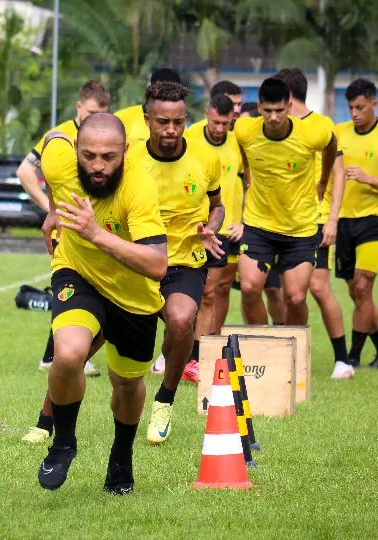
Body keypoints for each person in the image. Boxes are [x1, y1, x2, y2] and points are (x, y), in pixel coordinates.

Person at [36, 113, 168, 495]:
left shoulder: (139, 188)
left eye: (108, 157)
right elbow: (52, 140)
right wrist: (53, 207)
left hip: (134, 294)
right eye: (89, 155)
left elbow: (157, 265)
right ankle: (63, 444)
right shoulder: (61, 159)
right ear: (77, 149)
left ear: (126, 151)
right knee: (68, 353)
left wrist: (95, 233)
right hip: (78, 274)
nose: (97, 165)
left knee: (126, 384)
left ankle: (121, 456)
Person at [129, 81, 224, 444]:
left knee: (182, 320)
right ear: (147, 119)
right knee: (93, 342)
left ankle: (165, 400)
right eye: (162, 122)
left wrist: (210, 228)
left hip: (185, 260)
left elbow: (217, 206)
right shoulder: (130, 159)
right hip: (137, 262)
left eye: (178, 122)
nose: (170, 130)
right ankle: (48, 419)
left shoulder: (205, 159)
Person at [19, 81, 110, 445]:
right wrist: (52, 210)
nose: (93, 120)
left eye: (100, 115)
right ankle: (50, 419)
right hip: (72, 244)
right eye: (88, 114)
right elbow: (27, 173)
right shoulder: (60, 139)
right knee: (71, 321)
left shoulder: (109, 141)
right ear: (77, 108)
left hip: (113, 249)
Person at [234, 77, 339, 328]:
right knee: (249, 288)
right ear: (259, 108)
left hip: (299, 228)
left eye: (279, 110)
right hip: (259, 225)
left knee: (295, 297)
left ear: (289, 106)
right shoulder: (244, 129)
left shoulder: (312, 133)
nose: (273, 117)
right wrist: (247, 167)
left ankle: (295, 350)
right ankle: (260, 346)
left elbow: (332, 143)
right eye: (267, 111)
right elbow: (242, 146)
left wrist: (323, 179)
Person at [273, 68, 352, 379]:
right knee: (284, 292)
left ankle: (343, 360)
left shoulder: (321, 126)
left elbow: (339, 173)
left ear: (288, 97)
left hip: (315, 223)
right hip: (281, 224)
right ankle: (288, 355)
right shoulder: (278, 128)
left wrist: (332, 219)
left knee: (318, 288)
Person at [334, 79, 378, 368]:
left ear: (374, 104)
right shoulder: (339, 133)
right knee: (355, 292)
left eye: (360, 107)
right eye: (351, 108)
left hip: (375, 220)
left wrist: (368, 178)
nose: (355, 113)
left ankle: (351, 358)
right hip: (343, 221)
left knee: (363, 288)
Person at [184, 93, 244, 370]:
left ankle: (198, 355)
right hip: (196, 228)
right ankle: (172, 350)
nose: (220, 129)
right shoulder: (190, 137)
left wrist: (242, 221)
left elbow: (249, 181)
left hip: (226, 229)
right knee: (185, 294)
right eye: (216, 122)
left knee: (213, 293)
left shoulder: (239, 142)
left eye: (226, 123)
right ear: (207, 113)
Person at [237, 100, 286, 326]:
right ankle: (257, 337)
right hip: (248, 230)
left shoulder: (273, 148)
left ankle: (282, 337)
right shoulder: (238, 149)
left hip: (277, 228)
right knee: (248, 289)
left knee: (276, 290)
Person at [114, 68, 182, 146]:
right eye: (161, 92)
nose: (165, 97)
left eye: (172, 94)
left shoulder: (183, 131)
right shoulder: (121, 119)